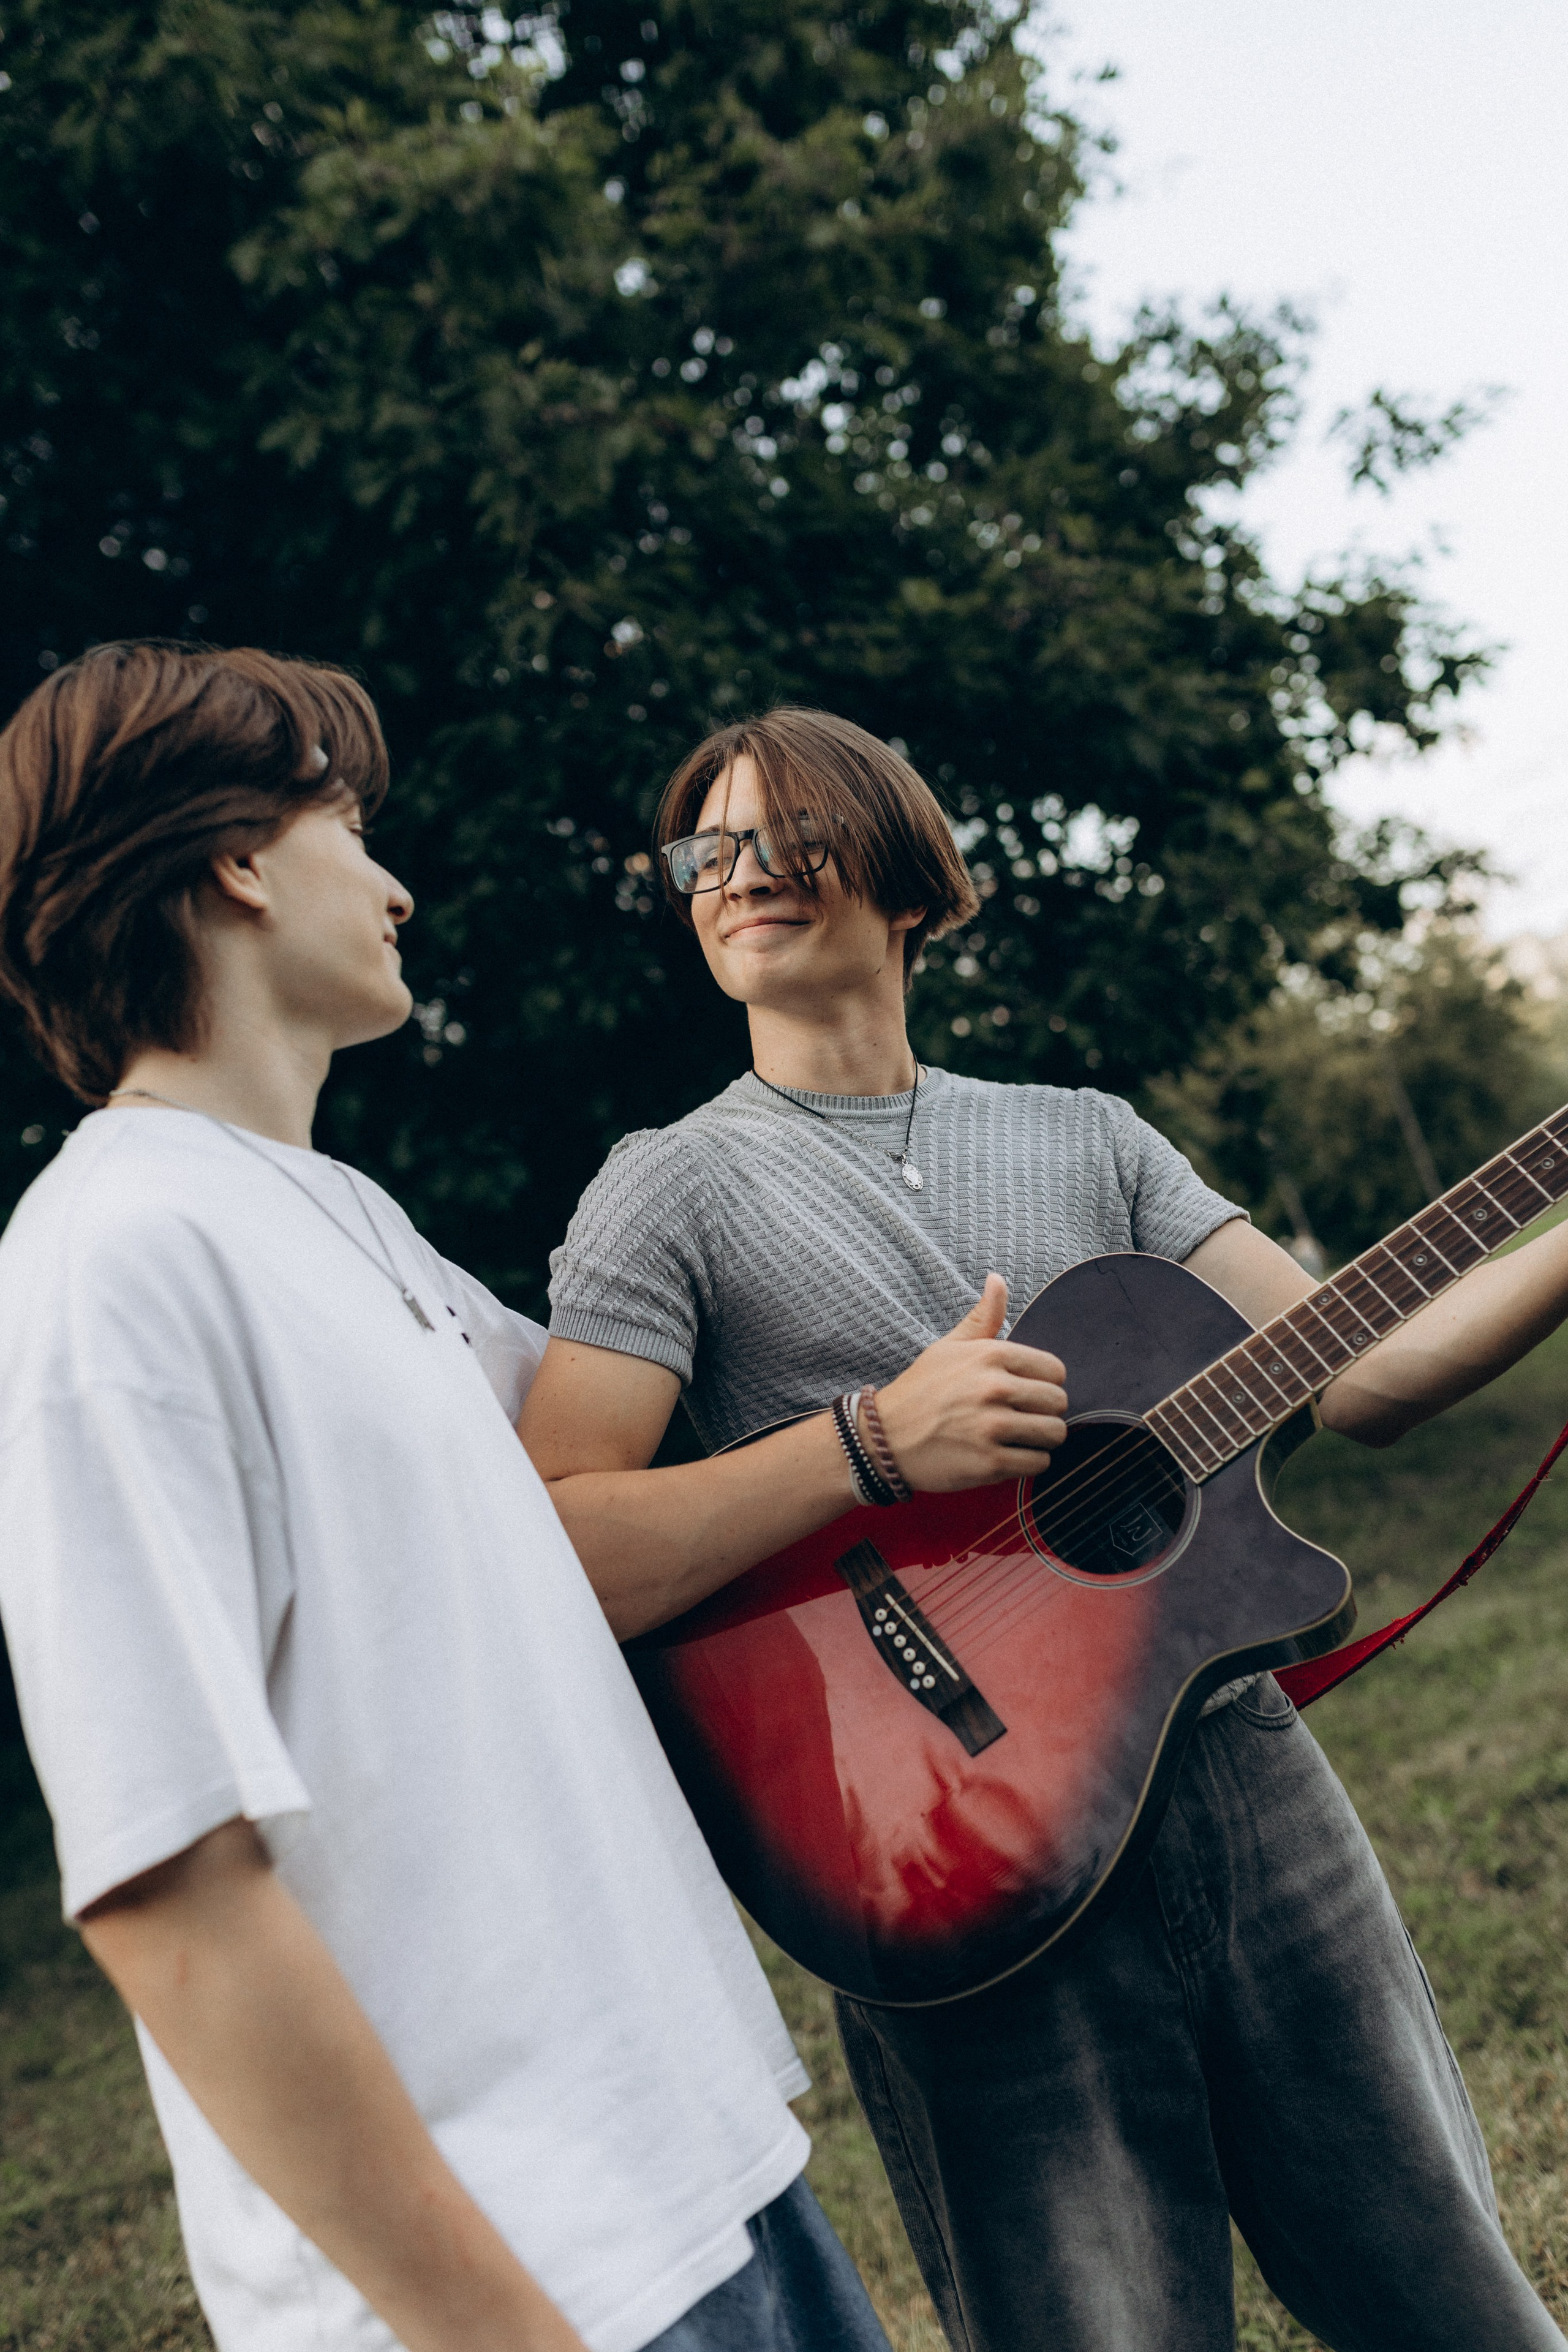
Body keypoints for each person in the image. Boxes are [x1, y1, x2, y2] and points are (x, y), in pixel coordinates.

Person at [522, 705, 1568, 2352]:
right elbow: (561, 1543)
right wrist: (869, 1444)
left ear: (905, 880)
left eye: (775, 833)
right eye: (702, 850)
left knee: (1452, 2294)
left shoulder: (1087, 1134)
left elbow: (1368, 1375)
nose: (731, 874)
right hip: (934, 1843)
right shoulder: (666, 1190)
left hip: (1234, 1778)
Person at [0, 646, 895, 2352]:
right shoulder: (111, 1262)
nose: (398, 882)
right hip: (531, 2279)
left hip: (709, 2175)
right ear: (240, 861)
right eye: (350, 820)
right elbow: (166, 1889)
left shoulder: (350, 1224)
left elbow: (619, 1513)